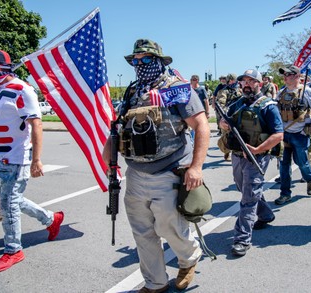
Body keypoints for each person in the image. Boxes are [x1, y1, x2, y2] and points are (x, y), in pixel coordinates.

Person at [102, 39, 210, 292]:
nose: (140, 64)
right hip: (136, 172)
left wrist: (196, 167)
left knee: (169, 228)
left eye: (146, 59)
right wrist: (110, 164)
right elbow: (117, 129)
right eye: (135, 60)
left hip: (169, 169)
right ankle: (155, 283)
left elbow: (202, 125)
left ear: (159, 61)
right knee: (142, 232)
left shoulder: (176, 89)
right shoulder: (132, 92)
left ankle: (189, 258)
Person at [0, 49, 64, 273]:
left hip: (14, 157)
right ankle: (51, 219)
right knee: (12, 199)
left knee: (9, 203)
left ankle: (13, 250)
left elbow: (37, 124)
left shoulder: (22, 89)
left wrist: (37, 159)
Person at [219, 69, 283, 257]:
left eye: (251, 81)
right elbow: (224, 121)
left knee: (248, 197)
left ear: (259, 84)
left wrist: (258, 150)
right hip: (238, 156)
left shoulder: (268, 106)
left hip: (257, 157)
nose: (246, 84)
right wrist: (223, 124)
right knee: (244, 187)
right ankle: (266, 214)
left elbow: (278, 134)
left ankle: (242, 239)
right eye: (244, 81)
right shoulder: (237, 104)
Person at [274, 65, 311, 205]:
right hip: (284, 134)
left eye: (288, 74)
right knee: (284, 165)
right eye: (284, 74)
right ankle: (285, 194)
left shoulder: (308, 93)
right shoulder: (281, 93)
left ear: (297, 76)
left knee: (301, 162)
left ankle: (310, 179)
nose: (285, 77)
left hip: (301, 134)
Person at [215, 73, 242, 161]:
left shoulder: (239, 90)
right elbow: (221, 104)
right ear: (230, 80)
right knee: (226, 135)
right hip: (228, 116)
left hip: (238, 116)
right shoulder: (224, 91)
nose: (236, 82)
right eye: (234, 80)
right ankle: (227, 153)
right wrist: (227, 114)